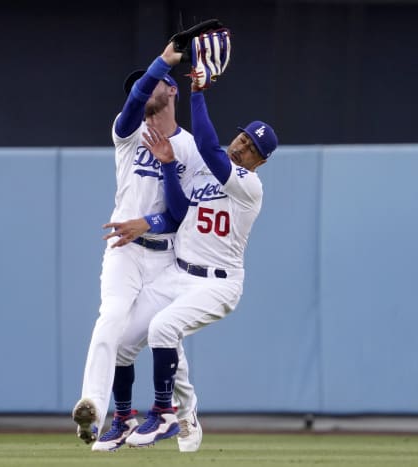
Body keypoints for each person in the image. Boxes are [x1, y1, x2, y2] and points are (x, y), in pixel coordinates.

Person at [102, 41, 278, 449]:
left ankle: (163, 413)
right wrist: (166, 165)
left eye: (253, 148)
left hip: (219, 283)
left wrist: (198, 92)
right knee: (124, 340)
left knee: (164, 329)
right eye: (244, 138)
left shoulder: (250, 185)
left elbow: (211, 151)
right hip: (179, 273)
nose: (243, 147)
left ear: (261, 161)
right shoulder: (202, 174)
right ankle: (140, 416)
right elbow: (179, 209)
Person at [71, 43, 204, 453]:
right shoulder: (126, 134)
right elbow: (133, 100)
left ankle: (180, 414)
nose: (142, 92)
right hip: (124, 252)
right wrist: (164, 62)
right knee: (111, 318)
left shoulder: (190, 149)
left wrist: (149, 215)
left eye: (153, 86)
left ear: (173, 91)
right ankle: (95, 405)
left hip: (165, 257)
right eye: (138, 88)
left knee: (162, 336)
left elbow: (181, 215)